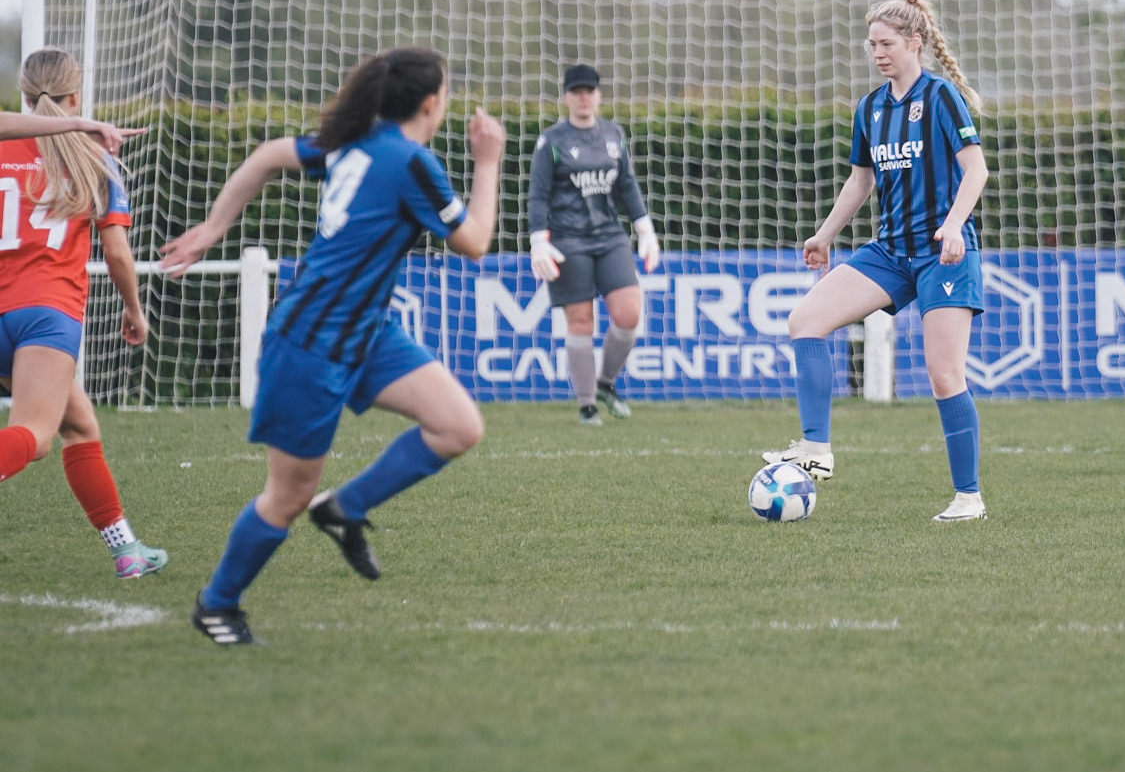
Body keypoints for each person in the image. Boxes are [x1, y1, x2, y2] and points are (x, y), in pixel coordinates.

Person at [160, 47, 504, 646]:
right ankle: (216, 605)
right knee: (286, 496)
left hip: (365, 331)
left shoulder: (357, 142)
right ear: (431, 102)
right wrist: (489, 161)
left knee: (457, 426)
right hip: (311, 340)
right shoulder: (411, 161)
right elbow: (474, 242)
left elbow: (267, 156)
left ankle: (344, 508)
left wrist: (215, 228)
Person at [762, 0, 992, 522]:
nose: (878, 53)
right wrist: (824, 236)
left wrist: (954, 224)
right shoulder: (870, 109)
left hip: (943, 255)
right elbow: (861, 181)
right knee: (805, 320)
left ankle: (968, 498)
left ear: (915, 43)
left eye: (886, 43)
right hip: (890, 251)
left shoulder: (941, 97)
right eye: (872, 44)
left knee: (944, 375)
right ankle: (815, 449)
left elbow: (976, 170)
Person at [0, 48, 167, 578]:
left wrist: (71, 125)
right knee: (36, 435)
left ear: (25, 95)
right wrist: (134, 309)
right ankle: (128, 552)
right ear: (77, 95)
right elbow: (116, 253)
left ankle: (127, 550)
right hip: (45, 315)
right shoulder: (95, 158)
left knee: (80, 425)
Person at [527, 63, 661, 425]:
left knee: (629, 313)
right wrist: (538, 240)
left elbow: (627, 185)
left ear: (599, 96)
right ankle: (587, 405)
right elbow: (539, 194)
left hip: (610, 237)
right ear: (566, 98)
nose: (584, 97)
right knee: (581, 321)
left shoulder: (613, 134)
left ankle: (605, 383)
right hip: (568, 240)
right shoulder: (552, 141)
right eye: (577, 92)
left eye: (590, 91)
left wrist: (645, 229)